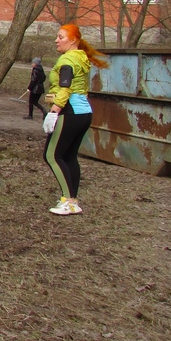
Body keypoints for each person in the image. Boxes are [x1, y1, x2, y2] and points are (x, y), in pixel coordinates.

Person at [42, 24, 109, 216]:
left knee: (52, 155)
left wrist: (54, 112)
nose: (56, 40)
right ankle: (72, 200)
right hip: (84, 113)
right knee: (69, 156)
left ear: (73, 40)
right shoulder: (81, 57)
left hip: (69, 112)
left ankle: (68, 201)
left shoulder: (68, 60)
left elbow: (65, 88)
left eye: (61, 37)